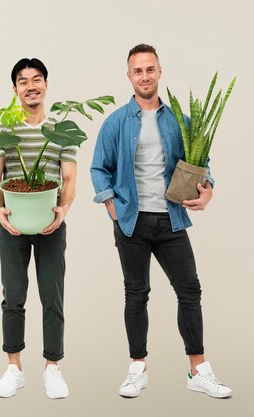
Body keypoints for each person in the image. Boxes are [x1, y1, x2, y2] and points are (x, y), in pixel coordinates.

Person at [90, 44, 232, 399]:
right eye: (137, 71)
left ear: (159, 72)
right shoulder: (116, 122)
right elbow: (98, 169)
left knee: (190, 290)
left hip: (170, 220)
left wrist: (208, 189)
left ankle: (198, 370)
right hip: (132, 222)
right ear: (129, 77)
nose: (144, 76)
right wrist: (111, 206)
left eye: (150, 69)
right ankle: (137, 368)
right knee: (136, 294)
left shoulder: (179, 121)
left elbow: (201, 161)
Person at [0, 58, 77, 399]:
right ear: (15, 90)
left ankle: (52, 367)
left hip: (52, 223)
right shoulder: (4, 130)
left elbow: (68, 178)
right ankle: (14, 367)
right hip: (12, 223)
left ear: (46, 84)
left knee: (52, 296)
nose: (30, 86)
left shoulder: (63, 128)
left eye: (36, 79)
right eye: (23, 81)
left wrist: (63, 208)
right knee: (13, 295)